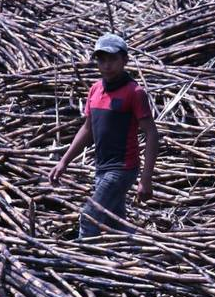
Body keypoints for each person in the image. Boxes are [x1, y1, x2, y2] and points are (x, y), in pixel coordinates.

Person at [49, 33, 159, 238]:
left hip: (122, 169)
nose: (106, 65)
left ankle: (82, 264)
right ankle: (135, 252)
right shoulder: (95, 90)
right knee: (114, 222)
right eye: (102, 60)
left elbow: (152, 134)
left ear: (124, 60)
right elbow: (87, 129)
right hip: (101, 166)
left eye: (112, 59)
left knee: (89, 217)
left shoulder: (134, 92)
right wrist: (64, 161)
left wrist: (146, 177)